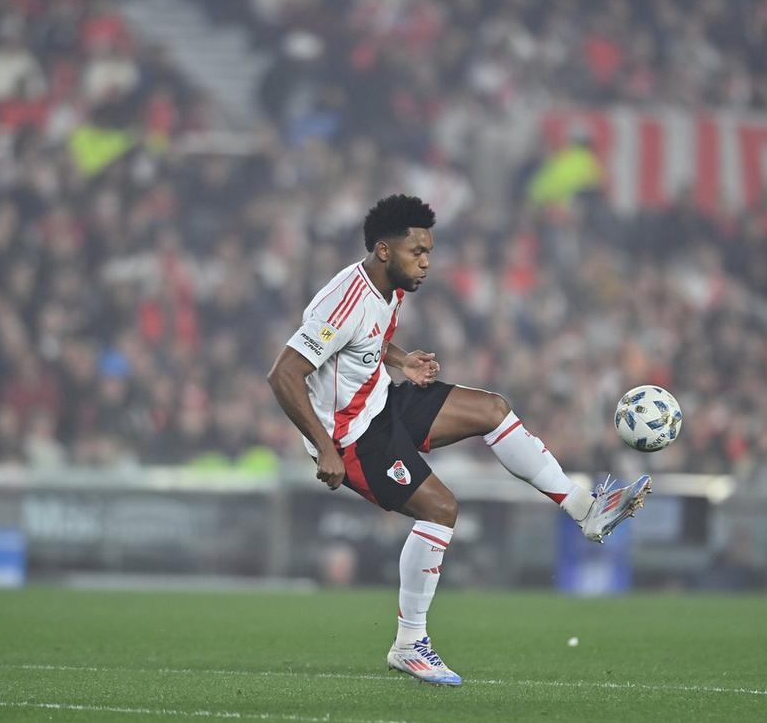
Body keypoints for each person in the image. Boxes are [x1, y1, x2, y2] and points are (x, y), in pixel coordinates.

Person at [267, 194, 649, 685]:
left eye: (429, 251)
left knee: (492, 409)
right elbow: (284, 374)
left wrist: (401, 361)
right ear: (384, 250)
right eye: (417, 253)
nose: (426, 262)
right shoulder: (343, 300)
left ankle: (585, 509)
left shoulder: (390, 286)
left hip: (380, 403)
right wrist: (323, 447)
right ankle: (409, 643)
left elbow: (368, 341)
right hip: (351, 437)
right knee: (441, 510)